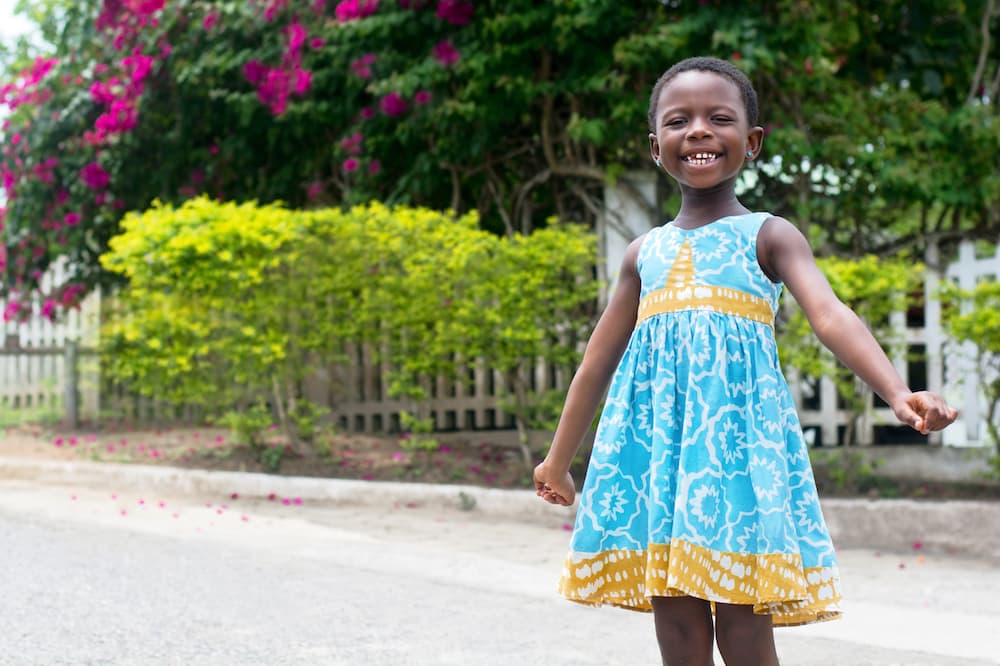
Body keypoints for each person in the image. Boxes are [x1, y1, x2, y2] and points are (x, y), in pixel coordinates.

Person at [532, 56, 958, 666]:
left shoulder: (770, 235)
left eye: (719, 118)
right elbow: (595, 365)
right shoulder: (642, 254)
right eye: (679, 121)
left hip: (736, 457)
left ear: (752, 142)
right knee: (675, 625)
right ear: (657, 147)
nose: (699, 131)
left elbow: (831, 315)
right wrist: (558, 461)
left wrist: (897, 392)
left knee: (742, 627)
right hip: (658, 458)